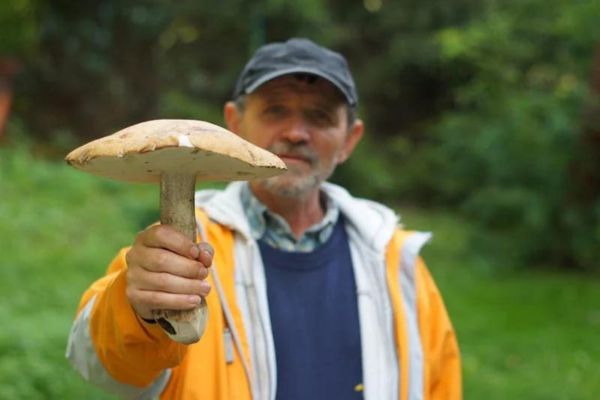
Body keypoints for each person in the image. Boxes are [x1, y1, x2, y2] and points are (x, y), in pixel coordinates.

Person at [66, 38, 461, 400]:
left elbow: (441, 383)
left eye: (320, 116)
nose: (295, 133)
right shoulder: (175, 251)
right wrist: (139, 310)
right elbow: (100, 366)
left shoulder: (396, 259)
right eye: (275, 110)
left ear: (349, 139)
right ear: (234, 123)